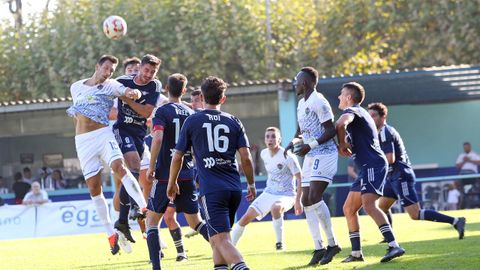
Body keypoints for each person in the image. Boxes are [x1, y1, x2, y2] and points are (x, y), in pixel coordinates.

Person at [168, 76, 256, 270]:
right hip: (234, 189)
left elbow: (177, 156)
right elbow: (246, 158)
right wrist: (251, 184)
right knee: (217, 240)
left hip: (212, 190)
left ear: (202, 96)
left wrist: (171, 182)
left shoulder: (193, 120)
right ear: (222, 99)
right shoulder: (234, 121)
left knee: (222, 240)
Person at [66, 54, 147, 255]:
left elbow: (126, 91)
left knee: (121, 168)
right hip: (83, 142)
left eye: (111, 70)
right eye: (107, 68)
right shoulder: (76, 87)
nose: (109, 72)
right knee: (95, 188)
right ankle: (110, 233)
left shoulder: (111, 85)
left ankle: (144, 207)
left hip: (103, 135)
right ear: (97, 66)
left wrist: (133, 92)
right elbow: (76, 114)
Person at [368, 102, 465, 241]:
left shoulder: (385, 132)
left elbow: (390, 158)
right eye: (369, 116)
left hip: (400, 175)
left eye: (374, 116)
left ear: (383, 117)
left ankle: (456, 221)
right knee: (382, 206)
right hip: (391, 176)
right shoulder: (379, 133)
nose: (371, 119)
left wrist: (372, 160)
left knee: (415, 214)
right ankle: (390, 239)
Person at [336, 82, 405, 263]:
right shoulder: (360, 113)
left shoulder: (353, 111)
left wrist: (342, 142)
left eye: (341, 94)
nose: (339, 97)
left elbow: (340, 124)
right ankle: (357, 254)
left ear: (349, 98)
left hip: (373, 165)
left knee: (369, 205)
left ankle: (394, 245)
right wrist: (343, 145)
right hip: (366, 167)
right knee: (349, 209)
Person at [145, 73, 209, 268]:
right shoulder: (192, 114)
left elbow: (157, 138)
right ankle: (223, 249)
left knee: (152, 222)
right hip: (187, 173)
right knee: (196, 222)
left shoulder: (161, 111)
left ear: (166, 88)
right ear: (184, 90)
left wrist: (151, 166)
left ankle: (157, 267)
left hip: (165, 173)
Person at [283, 67, 340, 265]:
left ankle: (332, 244)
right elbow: (302, 128)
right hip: (310, 155)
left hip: (325, 154)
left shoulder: (319, 101)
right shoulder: (301, 103)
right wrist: (294, 141)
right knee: (306, 200)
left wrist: (310, 145)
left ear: (305, 83)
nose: (295, 83)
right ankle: (318, 247)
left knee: (314, 196)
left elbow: (330, 130)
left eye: (297, 80)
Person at [112, 54, 163, 244]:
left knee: (134, 173)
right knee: (132, 164)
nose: (148, 74)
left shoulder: (154, 86)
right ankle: (125, 217)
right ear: (139, 68)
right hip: (122, 129)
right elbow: (106, 95)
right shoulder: (121, 81)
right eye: (146, 70)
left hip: (140, 134)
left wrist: (127, 100)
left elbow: (147, 111)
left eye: (153, 71)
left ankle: (123, 221)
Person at [231, 127, 303, 250]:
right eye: (267, 136)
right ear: (265, 140)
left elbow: (300, 178)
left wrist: (298, 201)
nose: (270, 139)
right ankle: (230, 247)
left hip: (287, 195)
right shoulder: (264, 154)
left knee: (276, 207)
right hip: (269, 193)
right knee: (245, 218)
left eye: (273, 136)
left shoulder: (288, 156)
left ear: (279, 140)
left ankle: (280, 244)